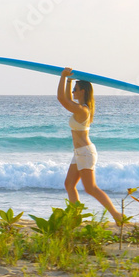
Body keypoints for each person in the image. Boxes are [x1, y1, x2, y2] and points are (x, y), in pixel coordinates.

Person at [57, 67, 123, 224]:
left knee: (90, 188)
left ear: (82, 92)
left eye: (75, 90)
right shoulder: (81, 108)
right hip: (79, 152)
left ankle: (117, 215)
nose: (73, 92)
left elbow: (62, 99)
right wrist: (68, 80)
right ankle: (75, 216)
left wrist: (62, 77)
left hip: (85, 152)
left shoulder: (83, 111)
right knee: (69, 184)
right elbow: (67, 98)